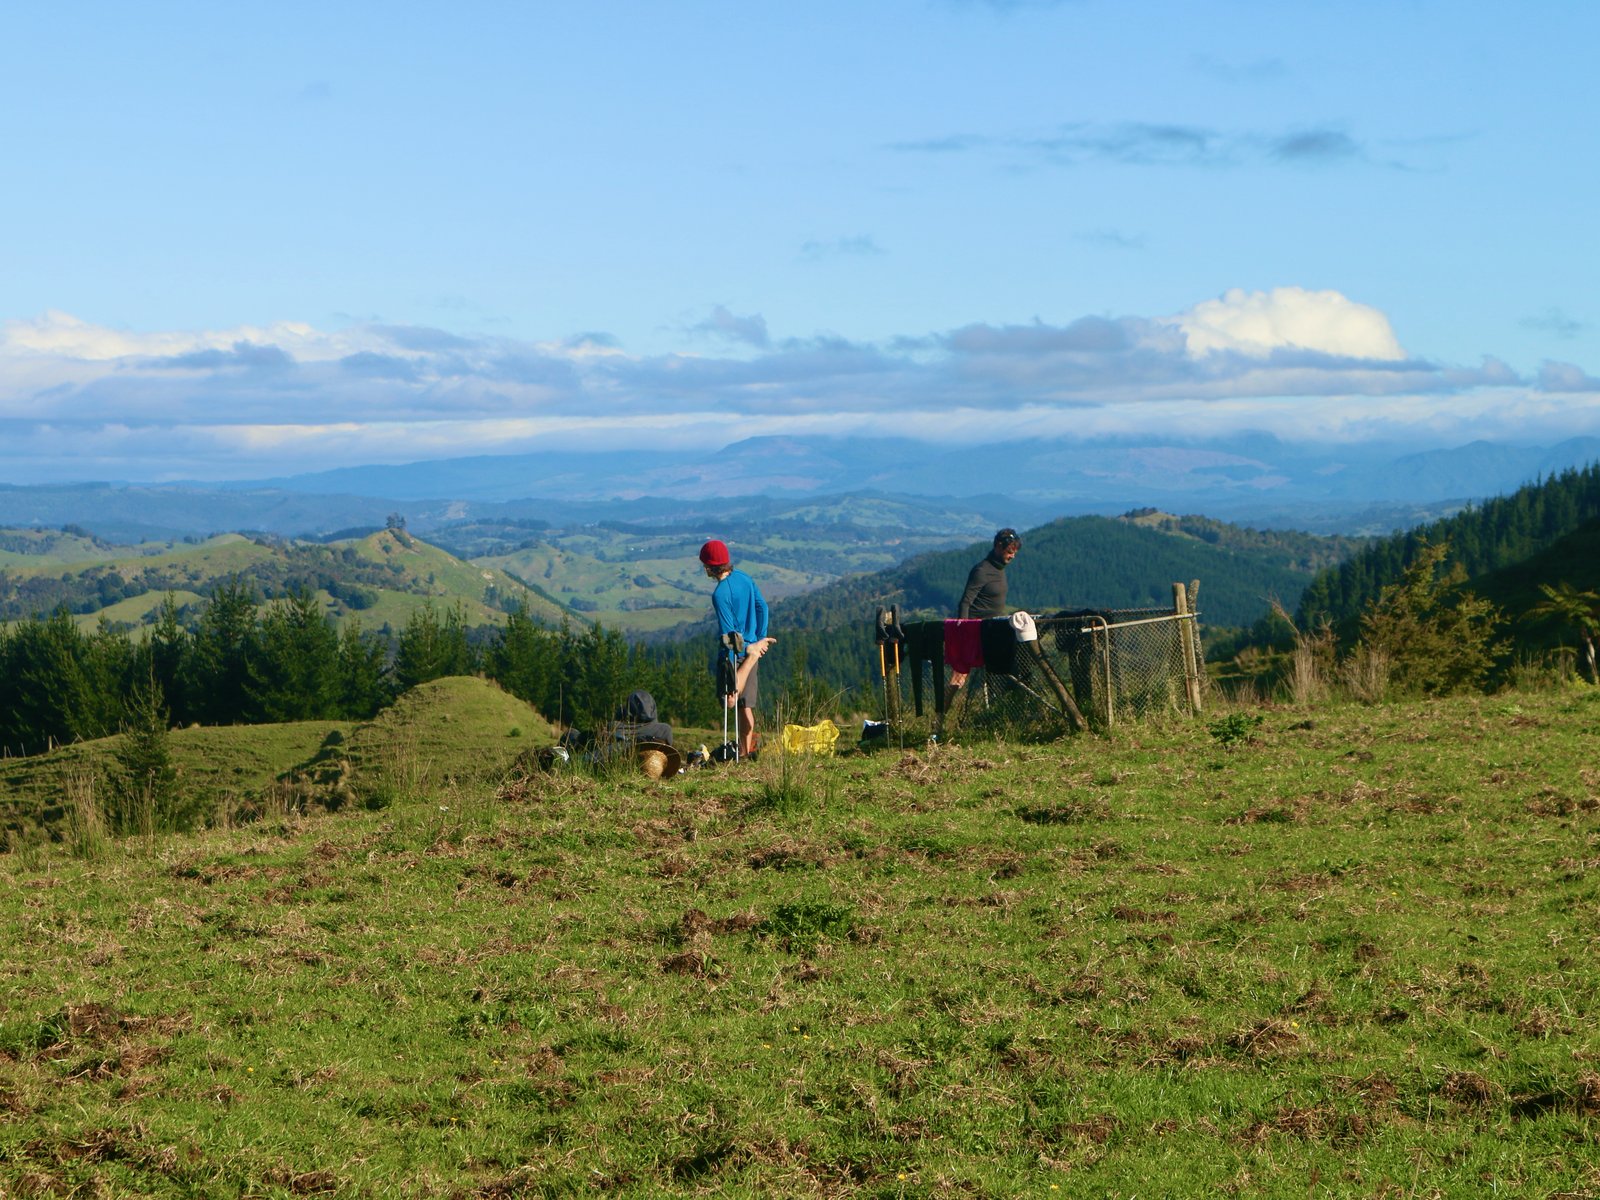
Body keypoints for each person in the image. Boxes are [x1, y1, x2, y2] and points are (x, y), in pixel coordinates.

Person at [699, 539, 770, 758]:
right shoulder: (744, 578)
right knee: (745, 706)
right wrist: (759, 639)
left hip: (736, 655)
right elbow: (762, 607)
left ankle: (741, 753)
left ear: (710, 566)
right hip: (753, 649)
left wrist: (730, 664)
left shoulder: (720, 594)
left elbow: (729, 636)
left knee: (730, 703)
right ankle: (745, 752)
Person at [957, 528, 1021, 619]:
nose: (1013, 556)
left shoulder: (999, 568)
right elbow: (965, 603)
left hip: (992, 626)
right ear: (998, 547)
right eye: (1010, 552)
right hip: (978, 627)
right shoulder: (982, 571)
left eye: (1015, 553)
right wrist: (964, 629)